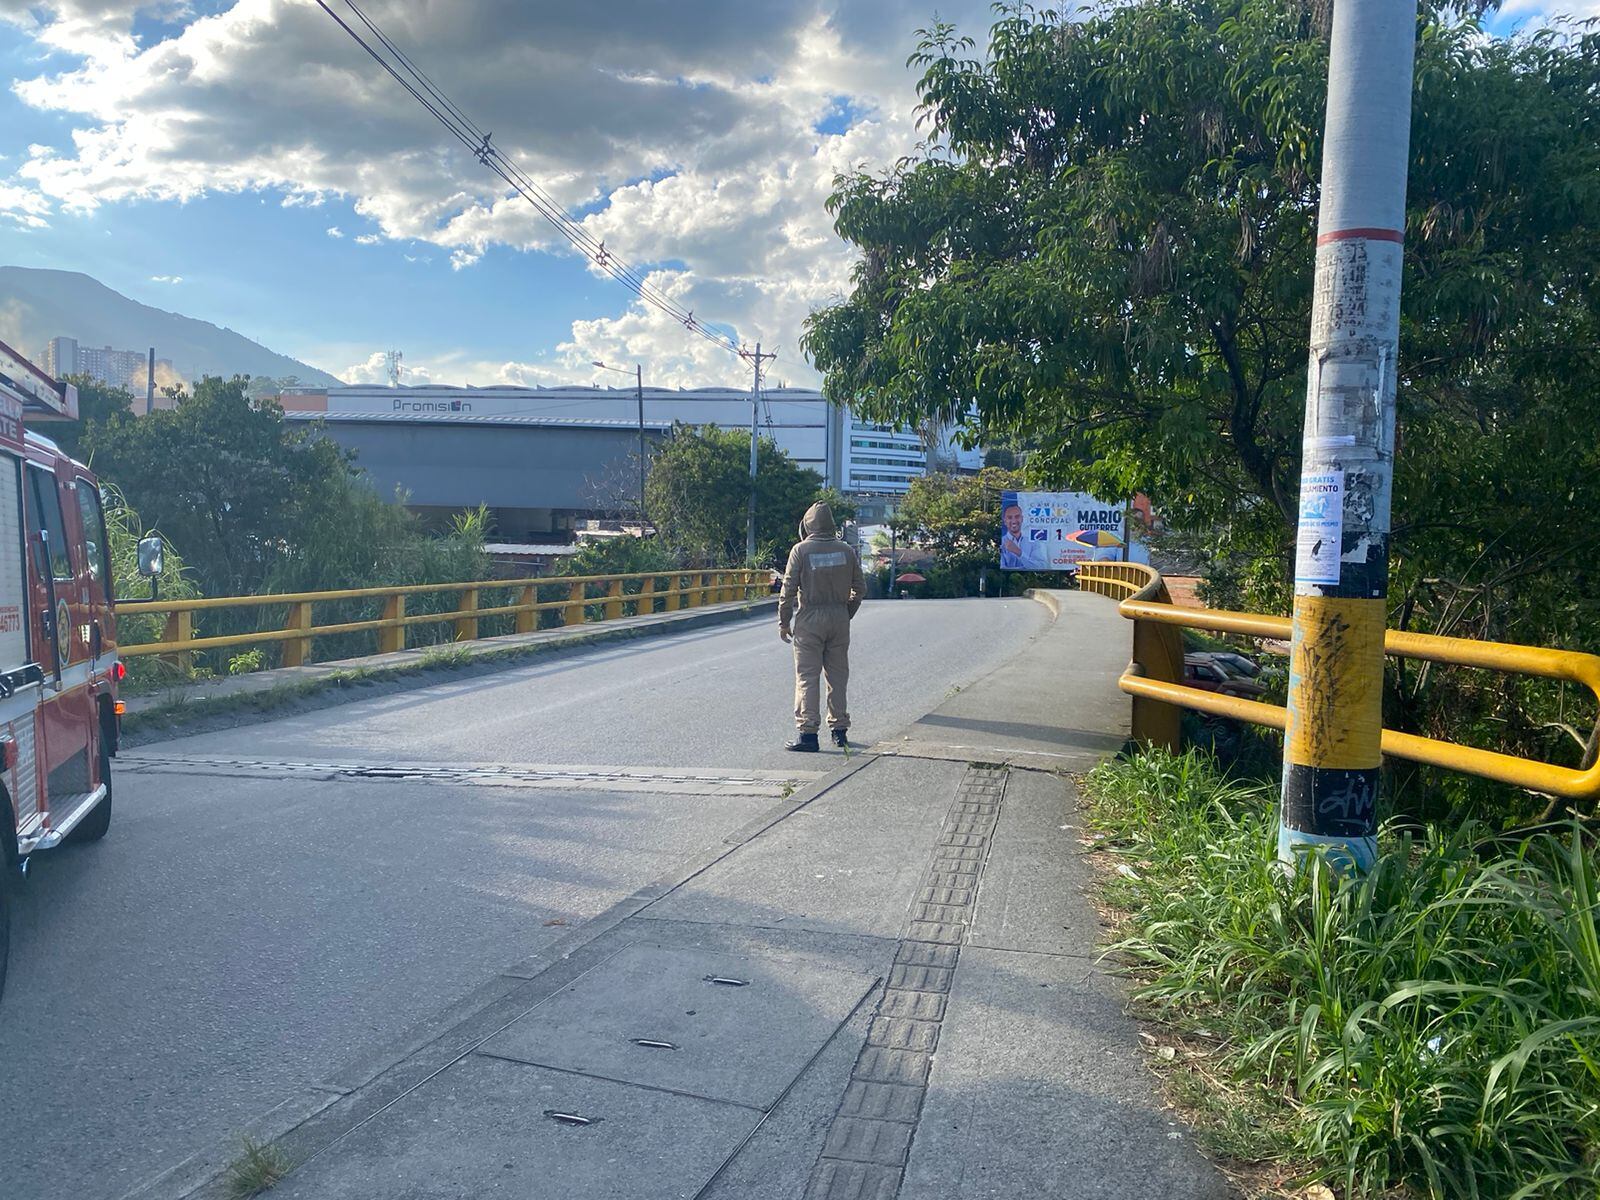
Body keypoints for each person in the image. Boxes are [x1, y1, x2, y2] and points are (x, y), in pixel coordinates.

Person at [779, 500, 866, 751]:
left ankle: (808, 735)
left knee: (807, 677)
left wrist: (784, 622)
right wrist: (845, 612)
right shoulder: (847, 550)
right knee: (837, 677)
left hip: (810, 618)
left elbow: (788, 590)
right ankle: (839, 731)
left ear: (807, 525)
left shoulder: (800, 551)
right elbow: (860, 588)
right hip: (839, 617)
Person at [1000, 503, 1050, 570]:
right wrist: (1028, 564)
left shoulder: (1033, 542)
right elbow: (1002, 567)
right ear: (1005, 521)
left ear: (1022, 519)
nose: (1014, 521)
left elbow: (1042, 566)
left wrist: (1019, 553)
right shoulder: (1001, 542)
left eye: (1017, 516)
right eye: (1009, 517)